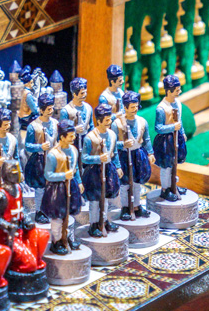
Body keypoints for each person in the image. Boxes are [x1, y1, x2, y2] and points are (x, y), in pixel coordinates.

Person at [82, 104, 123, 237]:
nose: (109, 122)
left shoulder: (111, 134)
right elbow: (85, 158)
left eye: (109, 119)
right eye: (106, 120)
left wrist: (117, 166)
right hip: (94, 172)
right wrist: (98, 158)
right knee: (95, 200)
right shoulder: (89, 138)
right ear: (99, 121)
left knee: (105, 198)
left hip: (108, 169)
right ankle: (94, 224)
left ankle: (104, 221)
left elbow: (114, 152)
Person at [113, 90, 154, 219]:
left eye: (136, 106)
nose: (135, 109)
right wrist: (123, 145)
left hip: (138, 154)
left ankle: (137, 205)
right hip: (123, 155)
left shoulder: (142, 121)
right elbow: (113, 144)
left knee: (137, 182)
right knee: (125, 183)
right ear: (125, 107)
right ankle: (125, 207)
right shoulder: (117, 124)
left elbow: (146, 139)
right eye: (132, 107)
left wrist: (150, 152)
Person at [43, 120, 82, 253]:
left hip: (71, 186)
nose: (74, 138)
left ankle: (66, 236)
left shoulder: (74, 150)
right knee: (57, 217)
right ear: (62, 137)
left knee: (68, 215)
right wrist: (63, 176)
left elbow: (75, 168)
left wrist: (79, 181)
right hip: (56, 189)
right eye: (70, 136)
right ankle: (56, 241)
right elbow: (48, 175)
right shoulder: (53, 155)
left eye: (74, 135)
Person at [24, 92, 57, 224]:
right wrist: (39, 147)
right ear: (41, 110)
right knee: (41, 188)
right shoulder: (33, 126)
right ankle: (40, 211)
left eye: (52, 108)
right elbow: (27, 146)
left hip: (52, 158)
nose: (51, 111)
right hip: (39, 160)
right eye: (48, 109)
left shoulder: (55, 123)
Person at [154, 74, 187, 202]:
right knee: (166, 166)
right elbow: (158, 128)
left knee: (175, 164)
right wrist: (172, 127)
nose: (180, 92)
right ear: (169, 91)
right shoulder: (161, 108)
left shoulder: (178, 103)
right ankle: (165, 189)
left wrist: (181, 132)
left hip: (176, 137)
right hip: (165, 141)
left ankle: (174, 186)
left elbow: (180, 121)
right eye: (177, 90)